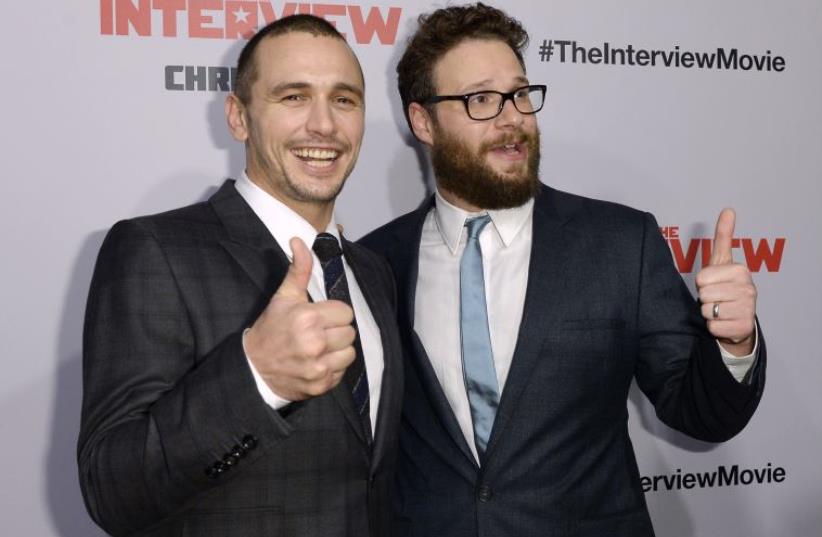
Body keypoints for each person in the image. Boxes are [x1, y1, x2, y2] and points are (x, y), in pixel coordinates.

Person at [360, 3, 764, 536]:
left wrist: (735, 345)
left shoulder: (622, 243)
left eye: (521, 94)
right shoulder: (375, 262)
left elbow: (702, 413)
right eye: (482, 99)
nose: (512, 119)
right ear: (422, 121)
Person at [78, 15, 402, 537]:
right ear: (238, 116)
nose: (323, 124)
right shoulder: (155, 250)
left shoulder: (371, 270)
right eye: (293, 97)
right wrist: (257, 376)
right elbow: (111, 490)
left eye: (344, 99)